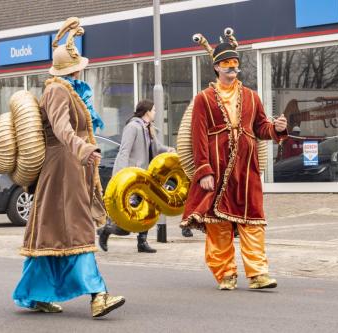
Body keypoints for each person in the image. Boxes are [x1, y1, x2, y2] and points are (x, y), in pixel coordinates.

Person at [12, 18, 125, 318]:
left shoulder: (65, 88)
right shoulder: (58, 91)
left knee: (51, 232)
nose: (82, 69)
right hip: (63, 169)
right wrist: (84, 149)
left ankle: (35, 294)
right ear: (73, 68)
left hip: (66, 168)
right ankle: (98, 295)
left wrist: (83, 151)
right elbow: (62, 129)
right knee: (77, 229)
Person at [181, 28, 288, 290]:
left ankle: (258, 273)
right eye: (227, 64)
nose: (232, 68)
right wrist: (203, 171)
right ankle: (225, 273)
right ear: (217, 67)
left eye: (235, 64)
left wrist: (278, 128)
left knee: (253, 220)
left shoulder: (252, 96)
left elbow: (261, 128)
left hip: (246, 169)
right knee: (218, 224)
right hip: (216, 170)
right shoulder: (203, 99)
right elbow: (198, 137)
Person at [97, 100, 175, 253]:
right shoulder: (132, 127)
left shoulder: (149, 129)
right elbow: (124, 151)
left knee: (146, 208)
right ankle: (106, 231)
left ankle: (142, 242)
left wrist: (169, 150)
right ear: (146, 111)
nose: (155, 112)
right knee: (127, 214)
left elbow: (157, 148)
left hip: (146, 176)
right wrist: (121, 176)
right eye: (153, 110)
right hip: (132, 177)